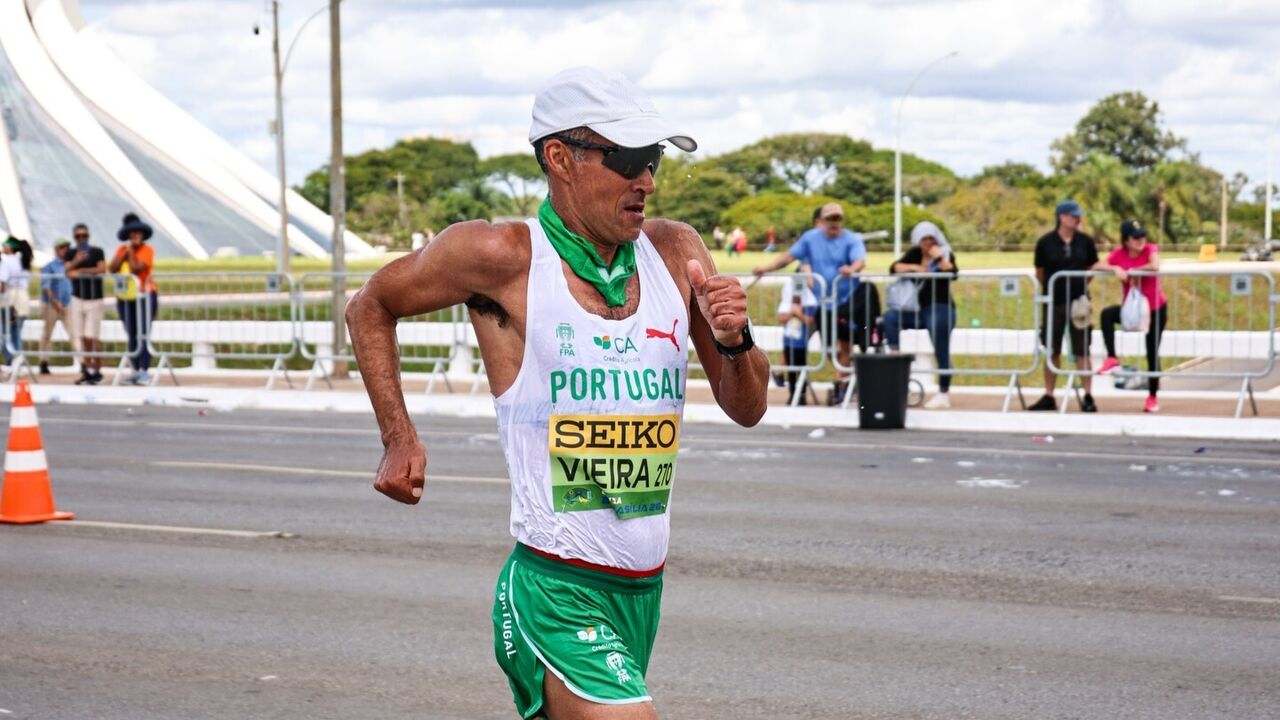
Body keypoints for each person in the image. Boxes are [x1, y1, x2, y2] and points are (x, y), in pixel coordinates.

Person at [345, 66, 768, 720]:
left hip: (642, 592)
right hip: (553, 590)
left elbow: (748, 408)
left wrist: (734, 338)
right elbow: (370, 304)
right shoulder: (501, 257)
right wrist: (399, 437)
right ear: (560, 158)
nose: (646, 180)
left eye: (652, 158)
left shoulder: (675, 251)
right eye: (627, 157)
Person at [752, 201, 866, 401]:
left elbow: (860, 260)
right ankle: (794, 385)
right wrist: (766, 268)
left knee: (840, 348)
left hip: (845, 303)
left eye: (838, 218)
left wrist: (852, 269)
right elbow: (788, 257)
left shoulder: (851, 239)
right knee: (797, 338)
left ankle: (843, 385)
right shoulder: (810, 238)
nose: (834, 222)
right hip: (817, 304)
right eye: (830, 218)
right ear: (821, 221)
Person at [1030, 199, 1104, 412]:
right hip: (1054, 301)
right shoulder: (1045, 242)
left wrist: (1079, 286)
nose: (1077, 219)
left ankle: (1088, 394)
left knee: (1082, 349)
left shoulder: (1085, 242)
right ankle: (1049, 394)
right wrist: (1053, 288)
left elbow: (1091, 267)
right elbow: (1040, 271)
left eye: (1078, 216)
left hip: (1078, 302)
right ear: (1062, 217)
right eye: (1073, 216)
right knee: (1052, 348)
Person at [882, 221, 958, 409]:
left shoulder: (945, 253)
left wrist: (939, 259)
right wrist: (915, 268)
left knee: (940, 345)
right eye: (924, 239)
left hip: (940, 307)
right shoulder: (914, 254)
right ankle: (895, 357)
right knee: (890, 317)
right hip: (916, 309)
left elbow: (953, 273)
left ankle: (943, 391)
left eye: (932, 238)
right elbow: (894, 268)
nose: (928, 242)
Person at [1095, 219, 1167, 413]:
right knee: (1107, 315)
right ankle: (1111, 357)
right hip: (1132, 310)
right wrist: (1115, 268)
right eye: (1136, 237)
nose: (1141, 240)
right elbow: (1097, 265)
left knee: (1152, 351)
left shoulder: (1150, 248)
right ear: (1126, 240)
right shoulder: (1119, 253)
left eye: (1142, 235)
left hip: (1154, 308)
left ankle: (1152, 396)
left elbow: (1155, 265)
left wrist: (1134, 271)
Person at [108, 213, 158, 385]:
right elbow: (112, 268)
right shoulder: (122, 250)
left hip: (144, 295)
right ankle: (134, 369)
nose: (135, 236)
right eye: (132, 233)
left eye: (138, 233)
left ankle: (144, 369)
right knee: (131, 333)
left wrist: (130, 254)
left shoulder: (147, 250)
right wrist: (125, 253)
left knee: (143, 332)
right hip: (126, 297)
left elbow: (137, 268)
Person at [64, 222, 106, 385]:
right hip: (78, 298)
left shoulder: (97, 251)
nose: (81, 239)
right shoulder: (71, 253)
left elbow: (101, 269)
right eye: (78, 236)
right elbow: (67, 271)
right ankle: (87, 368)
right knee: (80, 335)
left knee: (91, 336)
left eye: (84, 236)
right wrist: (77, 260)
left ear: (88, 236)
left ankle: (96, 367)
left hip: (94, 298)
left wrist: (81, 271)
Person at [774, 271, 818, 404]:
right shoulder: (787, 302)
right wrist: (790, 314)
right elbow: (781, 318)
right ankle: (793, 394)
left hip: (801, 343)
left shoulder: (809, 302)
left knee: (801, 368)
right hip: (788, 341)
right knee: (791, 371)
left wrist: (799, 314)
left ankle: (802, 395)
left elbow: (810, 320)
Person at [38, 239, 78, 374]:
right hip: (51, 304)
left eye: (67, 247)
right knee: (47, 333)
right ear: (56, 250)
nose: (65, 250)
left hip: (67, 304)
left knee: (73, 333)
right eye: (62, 248)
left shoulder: (71, 266)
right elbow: (46, 286)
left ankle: (83, 362)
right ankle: (43, 361)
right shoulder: (49, 266)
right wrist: (55, 301)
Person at [0, 236, 33, 365]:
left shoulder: (7, 261)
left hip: (11, 299)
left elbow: (2, 284)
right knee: (16, 331)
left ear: (10, 248)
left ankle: (12, 360)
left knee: (7, 332)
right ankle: (17, 360)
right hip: (23, 298)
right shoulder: (23, 261)